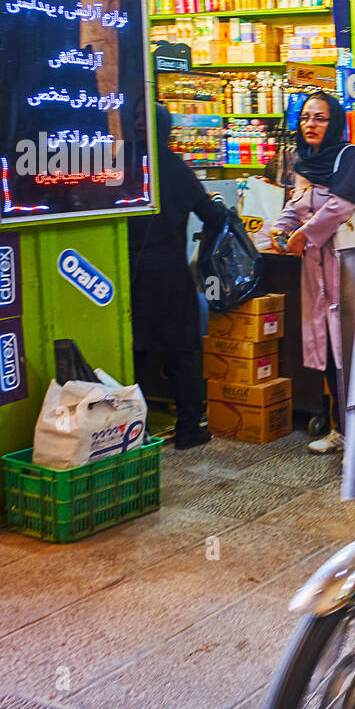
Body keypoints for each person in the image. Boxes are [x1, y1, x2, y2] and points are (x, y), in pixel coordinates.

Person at [269, 91, 355, 454]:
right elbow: (296, 205)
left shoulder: (354, 158)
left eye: (320, 118)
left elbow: (341, 205)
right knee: (329, 352)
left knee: (353, 350)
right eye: (305, 118)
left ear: (335, 123)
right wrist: (281, 228)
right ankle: (340, 429)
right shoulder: (303, 162)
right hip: (315, 270)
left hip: (347, 270)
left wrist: (304, 235)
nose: (310, 125)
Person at [128, 102, 224, 450]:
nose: (138, 123)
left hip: (131, 273)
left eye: (141, 118)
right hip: (169, 273)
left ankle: (134, 433)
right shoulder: (175, 168)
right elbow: (210, 215)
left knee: (137, 353)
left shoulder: (120, 165)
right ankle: (187, 428)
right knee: (181, 352)